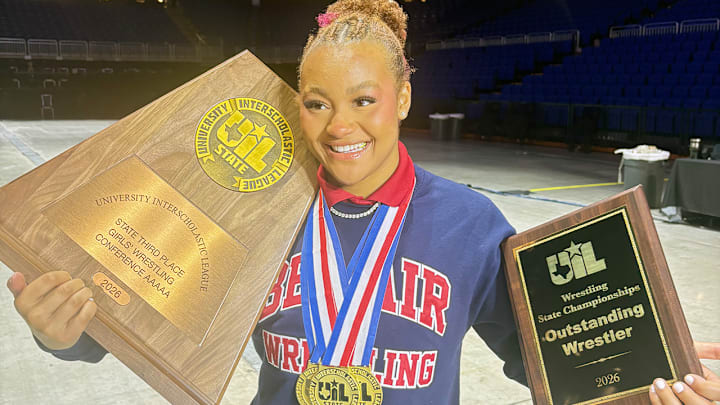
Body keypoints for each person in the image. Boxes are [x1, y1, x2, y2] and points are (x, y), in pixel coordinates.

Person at [5, 1, 720, 404]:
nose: (338, 125)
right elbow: (126, 317)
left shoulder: (473, 225)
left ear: (403, 98)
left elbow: (552, 362)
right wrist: (60, 328)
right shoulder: (254, 212)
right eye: (316, 102)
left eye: (364, 100)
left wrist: (661, 373)